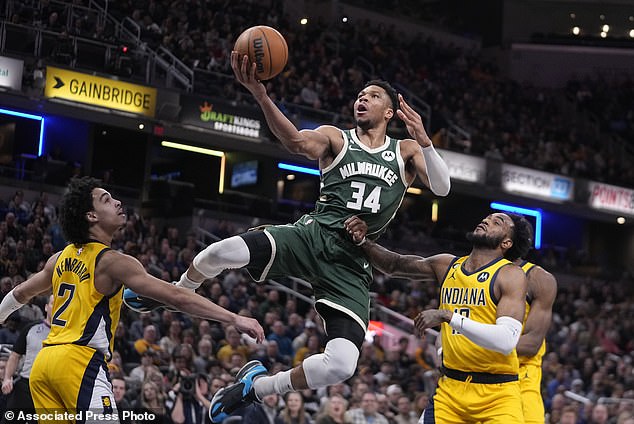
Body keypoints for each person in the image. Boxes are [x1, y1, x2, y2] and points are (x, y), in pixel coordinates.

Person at [175, 49, 451, 423]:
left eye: (372, 96)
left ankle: (257, 388)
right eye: (360, 95)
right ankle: (177, 290)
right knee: (219, 252)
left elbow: (443, 187)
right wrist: (260, 94)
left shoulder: (405, 150)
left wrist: (426, 141)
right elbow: (295, 142)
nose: (362, 99)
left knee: (342, 365)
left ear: (389, 112)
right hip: (311, 236)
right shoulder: (335, 138)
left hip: (352, 262)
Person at [0, 176, 264, 422]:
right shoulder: (113, 262)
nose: (117, 202)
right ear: (91, 216)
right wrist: (233, 318)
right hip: (79, 363)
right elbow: (177, 297)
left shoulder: (58, 259)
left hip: (44, 364)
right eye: (106, 199)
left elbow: (20, 293)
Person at [344, 211, 532, 423]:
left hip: (498, 393)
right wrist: (363, 242)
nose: (486, 220)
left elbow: (506, 341)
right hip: (451, 388)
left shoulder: (510, 275)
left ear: (506, 243)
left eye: (497, 222)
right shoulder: (447, 265)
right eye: (487, 218)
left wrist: (448, 316)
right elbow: (395, 265)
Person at [514, 257, 557, 423]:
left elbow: (531, 344)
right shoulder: (470, 271)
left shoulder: (538, 278)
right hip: (476, 372)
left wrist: (471, 346)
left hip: (521, 376)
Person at [1, 295, 53, 419]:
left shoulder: (69, 334)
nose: (56, 307)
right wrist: (7, 378)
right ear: (46, 307)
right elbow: (15, 355)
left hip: (51, 388)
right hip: (26, 385)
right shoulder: (31, 328)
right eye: (52, 303)